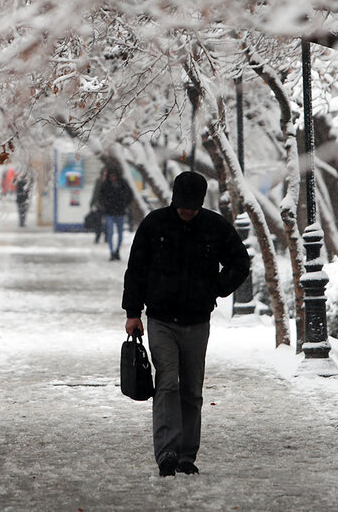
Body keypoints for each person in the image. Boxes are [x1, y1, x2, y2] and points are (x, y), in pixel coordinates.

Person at [121, 171, 251, 477]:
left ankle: (186, 455)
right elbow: (136, 269)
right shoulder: (155, 224)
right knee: (167, 382)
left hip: (197, 321)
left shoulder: (215, 227)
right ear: (174, 200)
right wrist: (132, 312)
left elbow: (240, 262)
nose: (187, 211)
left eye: (192, 206)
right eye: (182, 205)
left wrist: (216, 288)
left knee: (192, 389)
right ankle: (166, 450)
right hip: (161, 319)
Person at [96, 163, 133, 261]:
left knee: (120, 234)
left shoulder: (123, 183)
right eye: (111, 175)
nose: (113, 177)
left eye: (114, 175)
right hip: (110, 212)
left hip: (119, 212)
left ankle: (116, 251)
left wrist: (124, 204)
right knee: (110, 233)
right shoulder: (105, 185)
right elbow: (100, 197)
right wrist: (105, 206)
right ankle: (112, 252)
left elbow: (129, 195)